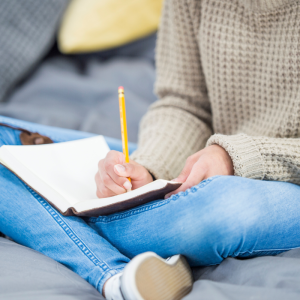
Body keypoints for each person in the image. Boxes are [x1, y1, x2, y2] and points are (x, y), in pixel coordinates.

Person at [1, 0, 300, 299]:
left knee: (223, 207)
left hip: (280, 181)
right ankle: (118, 277)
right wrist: (148, 167)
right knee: (5, 141)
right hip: (207, 164)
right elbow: (184, 104)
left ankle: (48, 220)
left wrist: (239, 157)